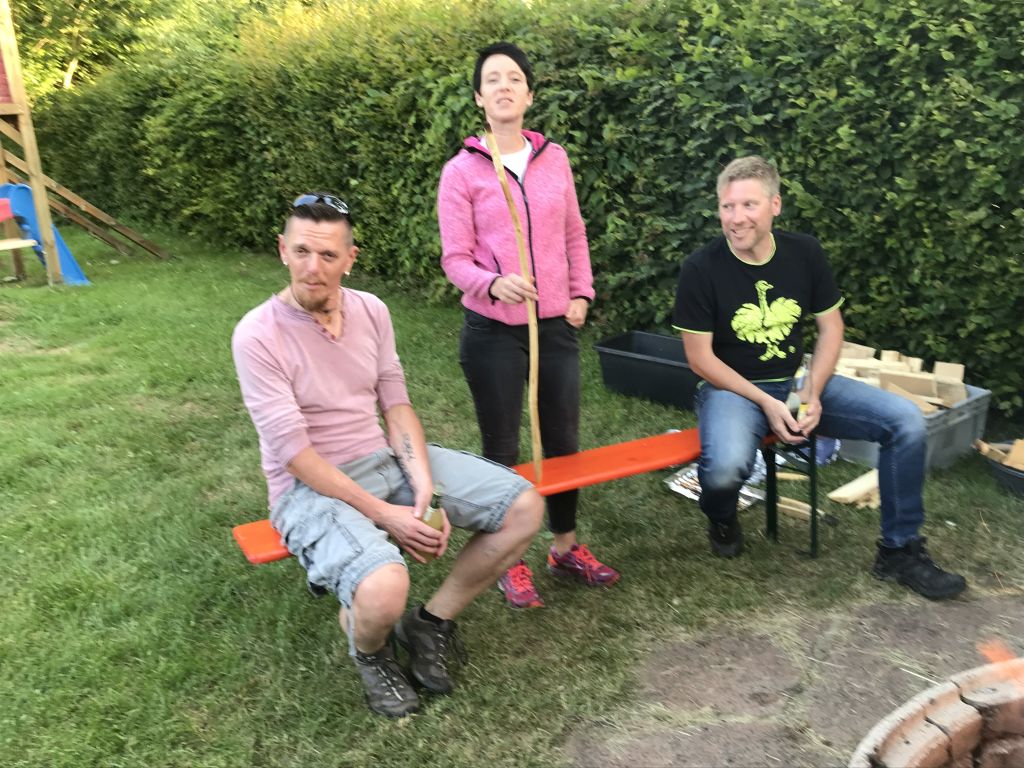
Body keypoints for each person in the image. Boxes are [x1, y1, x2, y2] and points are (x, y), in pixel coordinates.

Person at [232, 193, 544, 718]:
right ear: (283, 250)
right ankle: (371, 654)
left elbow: (396, 405)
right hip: (307, 488)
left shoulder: (371, 310)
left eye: (328, 255)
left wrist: (422, 487)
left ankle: (431, 622)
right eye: (302, 251)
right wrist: (387, 515)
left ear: (349, 259)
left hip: (382, 460)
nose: (313, 268)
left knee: (523, 507)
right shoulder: (257, 335)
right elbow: (295, 454)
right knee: (384, 586)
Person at [673, 156, 967, 600]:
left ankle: (899, 551)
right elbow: (700, 359)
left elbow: (831, 328)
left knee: (905, 421)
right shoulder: (701, 268)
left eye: (749, 205)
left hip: (794, 383)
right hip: (731, 390)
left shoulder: (803, 253)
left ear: (775, 205)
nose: (736, 218)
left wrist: (810, 391)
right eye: (727, 206)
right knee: (725, 470)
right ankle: (722, 514)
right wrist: (767, 403)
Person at [437, 42, 619, 609]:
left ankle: (564, 547)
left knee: (563, 441)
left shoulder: (554, 160)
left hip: (554, 327)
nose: (504, 86)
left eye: (514, 77)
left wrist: (581, 292)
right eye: (493, 79)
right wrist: (493, 284)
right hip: (492, 331)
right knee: (502, 446)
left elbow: (573, 233)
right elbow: (454, 259)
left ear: (529, 95)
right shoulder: (461, 171)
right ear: (479, 98)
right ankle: (505, 558)